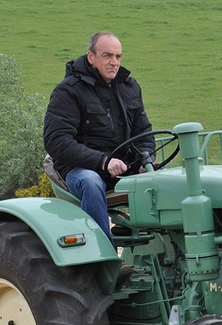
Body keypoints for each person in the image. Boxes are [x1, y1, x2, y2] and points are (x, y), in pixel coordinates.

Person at [44, 32, 154, 243]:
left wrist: (144, 161)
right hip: (79, 169)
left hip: (123, 167)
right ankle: (104, 257)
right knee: (91, 181)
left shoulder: (129, 87)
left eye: (118, 57)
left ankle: (167, 255)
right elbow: (56, 141)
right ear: (91, 57)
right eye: (107, 56)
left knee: (164, 180)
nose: (114, 62)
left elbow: (143, 133)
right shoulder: (68, 91)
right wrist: (102, 161)